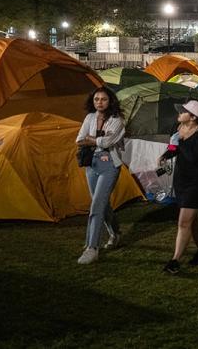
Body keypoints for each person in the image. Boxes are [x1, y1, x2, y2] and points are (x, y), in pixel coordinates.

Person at [158, 100, 198, 274]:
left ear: (193, 117)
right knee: (192, 220)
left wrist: (181, 140)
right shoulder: (179, 130)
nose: (179, 114)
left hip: (196, 182)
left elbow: (193, 157)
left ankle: (174, 261)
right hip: (180, 181)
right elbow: (174, 149)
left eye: (183, 112)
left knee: (183, 222)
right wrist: (165, 155)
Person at [75, 87, 126, 265]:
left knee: (96, 205)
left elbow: (108, 142)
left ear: (110, 101)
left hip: (109, 164)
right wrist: (96, 140)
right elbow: (79, 139)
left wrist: (92, 139)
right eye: (96, 99)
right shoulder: (89, 117)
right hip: (91, 164)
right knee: (103, 206)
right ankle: (116, 233)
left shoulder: (117, 120)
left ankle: (92, 248)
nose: (99, 102)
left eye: (103, 99)